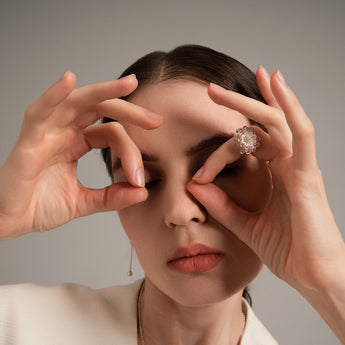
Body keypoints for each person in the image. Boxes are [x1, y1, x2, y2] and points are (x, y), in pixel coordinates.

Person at [0, 44, 344, 345]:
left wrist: (329, 278)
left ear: (275, 180)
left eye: (223, 170)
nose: (179, 212)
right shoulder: (16, 326)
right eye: (146, 181)